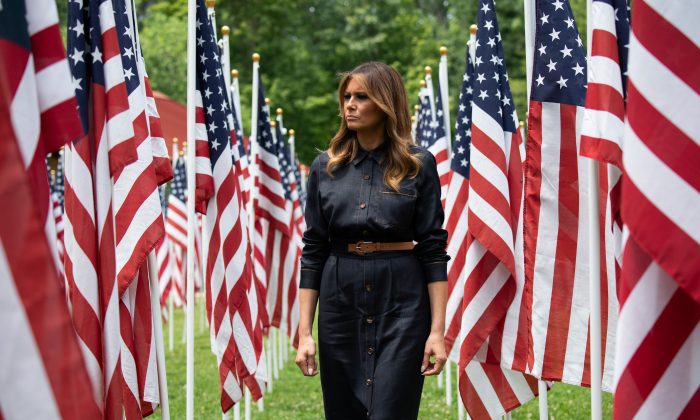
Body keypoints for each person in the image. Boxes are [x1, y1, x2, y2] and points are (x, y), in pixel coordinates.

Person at [295, 61, 449, 419]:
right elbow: (314, 249)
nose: (350, 104)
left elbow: (433, 249)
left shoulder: (417, 165)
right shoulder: (325, 167)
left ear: (385, 103)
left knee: (391, 412)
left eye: (361, 97)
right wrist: (305, 332)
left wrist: (437, 332)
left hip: (403, 305)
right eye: (346, 96)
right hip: (339, 303)